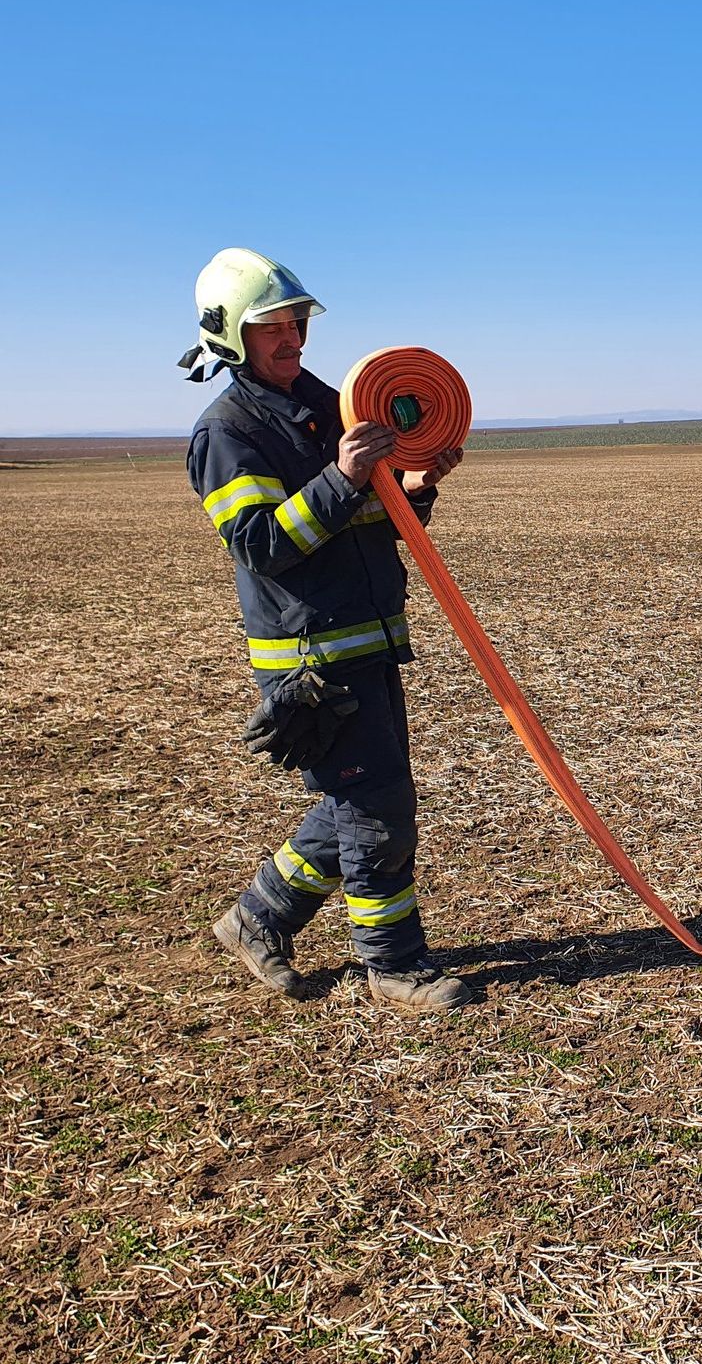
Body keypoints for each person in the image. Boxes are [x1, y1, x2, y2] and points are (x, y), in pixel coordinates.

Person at [182, 248, 471, 1011]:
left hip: (367, 638)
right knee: (376, 811)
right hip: (311, 658)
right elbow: (261, 544)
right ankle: (394, 966)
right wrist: (340, 477)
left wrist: (412, 488)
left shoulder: (323, 406)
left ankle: (257, 917)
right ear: (231, 338)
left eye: (296, 323)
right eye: (272, 328)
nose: (292, 340)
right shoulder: (229, 431)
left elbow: (365, 521)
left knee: (359, 799)